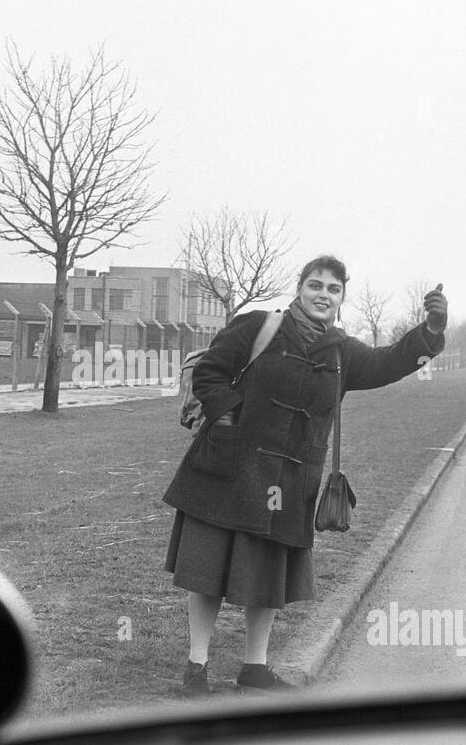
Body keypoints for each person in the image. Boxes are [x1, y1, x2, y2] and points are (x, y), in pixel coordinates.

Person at [162, 256, 448, 692]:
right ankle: (196, 665)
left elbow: (390, 362)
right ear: (299, 288)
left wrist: (429, 333)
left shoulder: (342, 353)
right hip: (229, 466)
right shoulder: (259, 326)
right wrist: (229, 419)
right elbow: (209, 373)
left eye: (333, 290)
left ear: (340, 300)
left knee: (267, 572)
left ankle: (254, 667)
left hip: (288, 481)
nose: (323, 295)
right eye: (315, 285)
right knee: (208, 567)